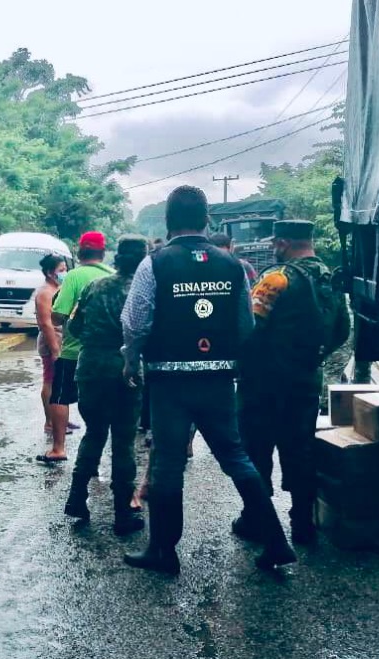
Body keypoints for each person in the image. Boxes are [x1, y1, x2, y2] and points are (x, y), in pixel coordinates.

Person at [121, 186, 295, 575]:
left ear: (169, 221)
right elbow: (245, 325)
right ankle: (276, 541)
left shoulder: (155, 264)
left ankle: (163, 552)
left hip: (169, 382)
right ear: (206, 220)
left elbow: (135, 322)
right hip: (218, 380)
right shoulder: (232, 265)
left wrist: (131, 360)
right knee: (235, 456)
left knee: (167, 462)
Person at [235, 220, 349, 545]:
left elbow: (249, 325)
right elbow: (342, 328)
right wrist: (314, 357)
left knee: (256, 450)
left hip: (263, 385)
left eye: (276, 243)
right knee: (300, 450)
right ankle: (303, 524)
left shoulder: (276, 277)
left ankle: (255, 519)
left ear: (282, 242)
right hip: (305, 381)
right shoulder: (330, 279)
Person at [63, 235, 149, 535]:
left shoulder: (94, 287)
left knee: (94, 433)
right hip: (126, 371)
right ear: (143, 260)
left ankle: (76, 497)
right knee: (123, 442)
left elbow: (73, 325)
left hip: (90, 368)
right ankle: (123, 514)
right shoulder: (143, 291)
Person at [44, 233, 115, 462]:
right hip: (108, 352)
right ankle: (102, 450)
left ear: (79, 252)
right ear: (103, 253)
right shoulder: (113, 275)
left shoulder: (73, 277)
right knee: (106, 400)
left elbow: (57, 316)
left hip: (73, 351)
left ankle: (58, 448)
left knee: (60, 397)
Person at [35, 254, 68, 443]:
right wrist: (55, 349)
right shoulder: (45, 292)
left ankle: (60, 419)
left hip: (60, 339)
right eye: (61, 270)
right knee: (49, 381)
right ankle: (50, 422)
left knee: (59, 382)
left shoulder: (58, 289)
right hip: (51, 340)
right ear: (49, 272)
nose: (64, 273)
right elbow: (46, 323)